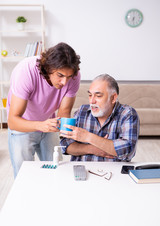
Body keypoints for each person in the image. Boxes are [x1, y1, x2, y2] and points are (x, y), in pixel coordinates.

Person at [7, 42, 81, 177]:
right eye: (60, 75)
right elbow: (12, 121)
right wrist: (41, 125)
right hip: (22, 126)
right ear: (48, 67)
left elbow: (64, 112)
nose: (65, 82)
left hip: (49, 125)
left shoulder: (73, 76)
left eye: (69, 77)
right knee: (24, 176)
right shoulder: (26, 72)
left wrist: (77, 136)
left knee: (56, 171)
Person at [60, 74, 140, 162]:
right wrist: (92, 149)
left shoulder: (128, 114)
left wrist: (88, 137)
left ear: (113, 98)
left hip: (114, 172)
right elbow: (65, 145)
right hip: (83, 170)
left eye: (98, 96)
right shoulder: (82, 111)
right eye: (90, 95)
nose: (92, 101)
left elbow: (128, 150)